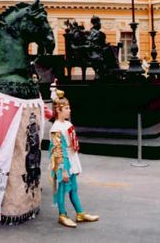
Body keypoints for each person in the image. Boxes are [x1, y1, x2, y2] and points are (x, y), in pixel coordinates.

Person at [49, 89, 99, 228]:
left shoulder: (67, 124)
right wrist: (63, 169)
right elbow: (58, 151)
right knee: (62, 189)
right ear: (58, 110)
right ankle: (62, 215)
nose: (69, 110)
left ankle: (80, 213)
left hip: (71, 159)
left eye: (69, 107)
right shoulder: (56, 128)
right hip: (64, 162)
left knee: (73, 188)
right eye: (66, 108)